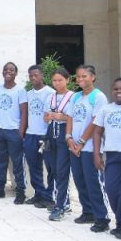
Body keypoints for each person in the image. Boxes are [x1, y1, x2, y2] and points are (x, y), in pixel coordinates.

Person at [77, 78, 121, 240]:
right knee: (113, 190)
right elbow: (97, 132)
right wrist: (97, 154)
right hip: (112, 155)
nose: (119, 92)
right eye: (115, 89)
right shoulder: (106, 109)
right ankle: (120, 221)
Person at [67, 65, 111, 232]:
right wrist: (69, 138)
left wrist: (82, 142)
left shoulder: (98, 97)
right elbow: (70, 117)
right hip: (75, 147)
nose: (80, 80)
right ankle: (88, 211)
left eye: (84, 76)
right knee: (80, 180)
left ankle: (102, 216)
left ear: (93, 77)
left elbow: (95, 122)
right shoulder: (76, 96)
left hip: (90, 147)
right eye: (78, 77)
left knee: (94, 182)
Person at [0, 62, 28, 202]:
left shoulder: (20, 90)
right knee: (0, 161)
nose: (8, 71)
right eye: (5, 69)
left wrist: (21, 131)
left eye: (11, 70)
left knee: (17, 162)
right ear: (2, 72)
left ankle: (20, 191)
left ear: (16, 73)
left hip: (14, 131)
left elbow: (24, 112)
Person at [45, 69, 76, 221]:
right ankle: (64, 201)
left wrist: (61, 117)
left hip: (65, 133)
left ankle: (60, 206)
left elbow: (74, 117)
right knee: (54, 169)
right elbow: (45, 117)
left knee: (63, 170)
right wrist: (50, 116)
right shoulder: (51, 96)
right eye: (54, 80)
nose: (57, 83)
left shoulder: (73, 97)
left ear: (67, 80)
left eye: (60, 80)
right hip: (52, 133)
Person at [24, 65, 56, 206]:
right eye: (31, 75)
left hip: (45, 136)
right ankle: (39, 194)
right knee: (33, 166)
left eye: (36, 75)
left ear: (42, 75)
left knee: (50, 166)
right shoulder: (28, 94)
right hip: (31, 134)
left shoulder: (50, 93)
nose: (33, 78)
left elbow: (48, 117)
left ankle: (49, 197)